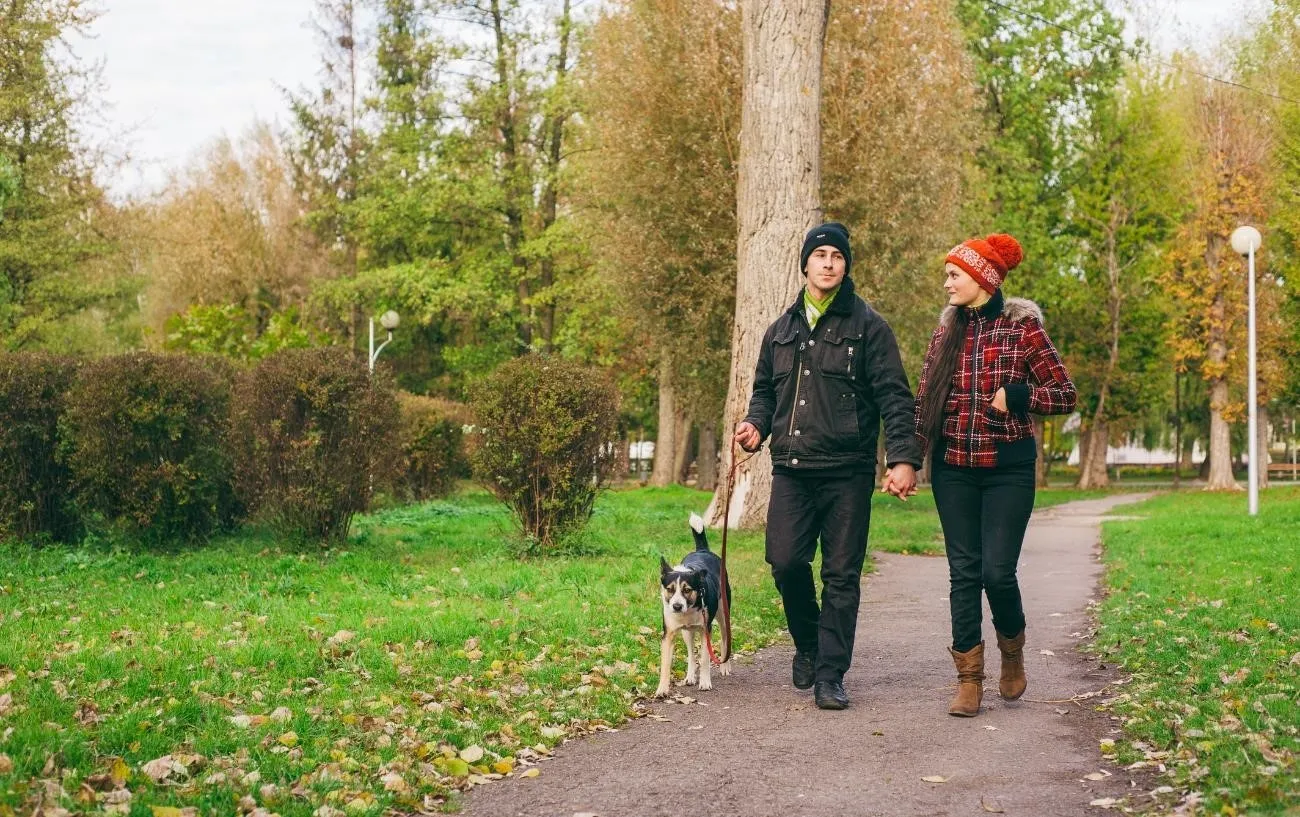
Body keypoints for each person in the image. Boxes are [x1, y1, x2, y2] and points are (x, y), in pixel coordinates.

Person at [733, 221, 921, 711]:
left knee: (841, 574)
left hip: (847, 470)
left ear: (846, 265)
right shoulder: (782, 329)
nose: (829, 263)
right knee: (786, 562)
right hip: (792, 467)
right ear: (806, 264)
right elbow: (765, 392)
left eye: (838, 256)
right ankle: (809, 644)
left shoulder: (868, 326)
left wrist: (902, 459)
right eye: (821, 255)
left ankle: (830, 674)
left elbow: (895, 397)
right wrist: (756, 426)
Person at [910, 233, 1076, 717]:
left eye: (954, 275)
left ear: (983, 277)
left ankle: (1011, 650)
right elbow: (925, 404)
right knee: (963, 574)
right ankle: (967, 678)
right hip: (953, 470)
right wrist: (906, 461)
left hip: (1009, 469)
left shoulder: (1023, 329)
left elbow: (1065, 395)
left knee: (996, 572)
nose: (947, 283)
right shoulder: (945, 333)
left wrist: (1020, 396)